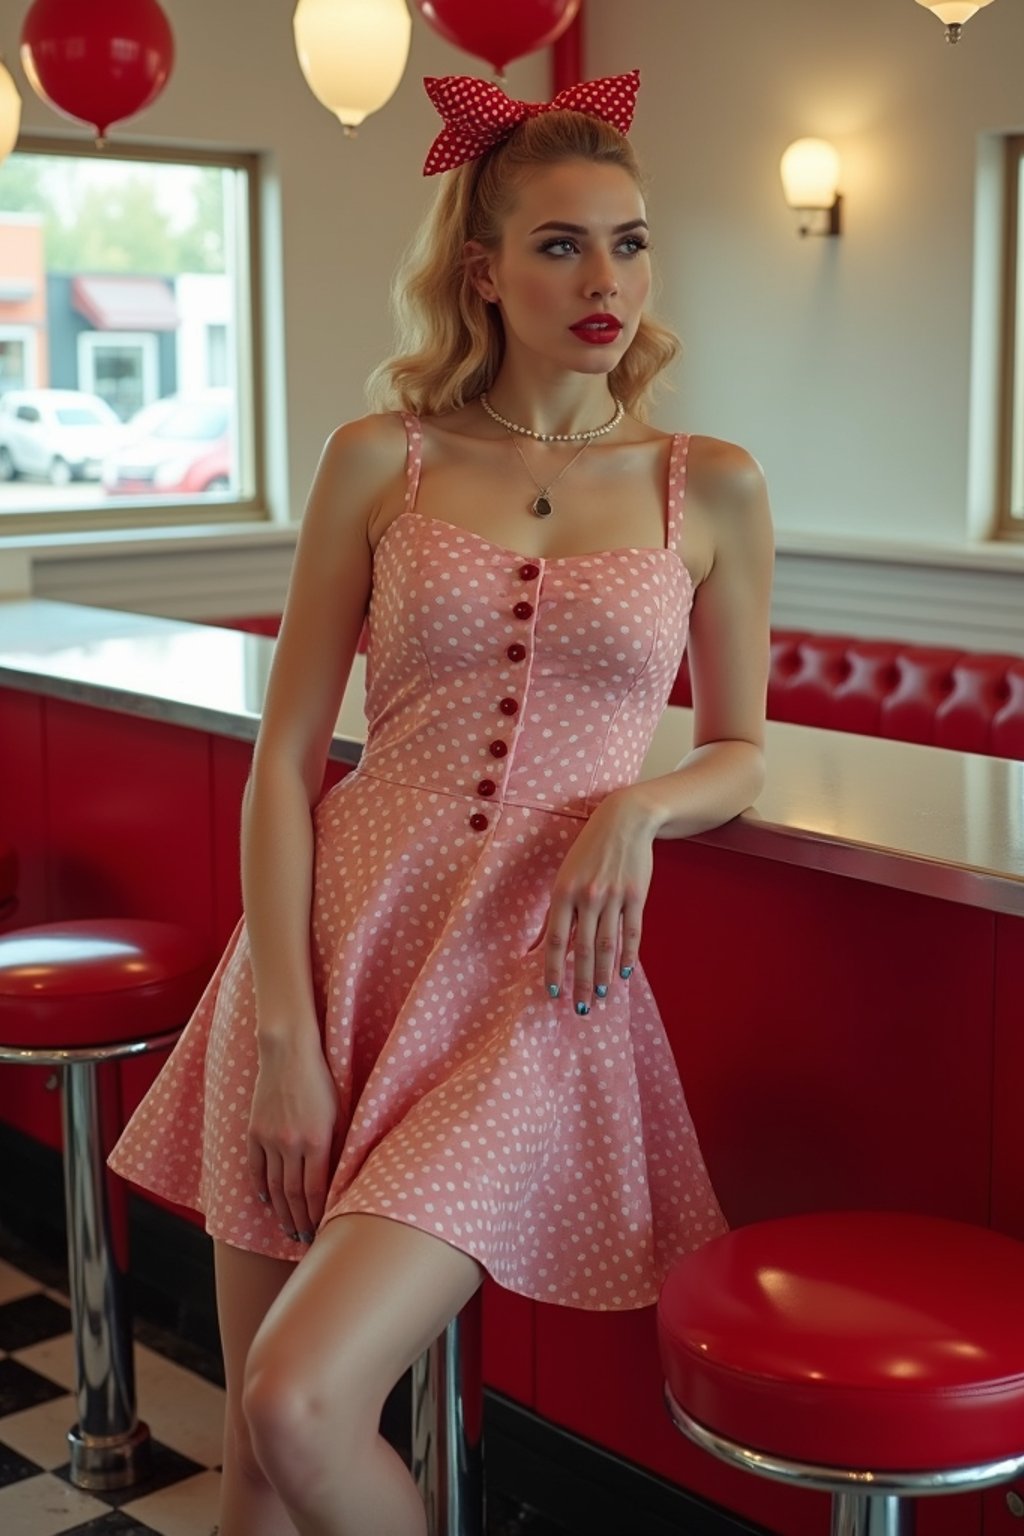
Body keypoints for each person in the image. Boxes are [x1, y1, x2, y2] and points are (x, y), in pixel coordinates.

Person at [109, 67, 773, 1536]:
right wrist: (282, 1030)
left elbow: (743, 747)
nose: (606, 279)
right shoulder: (379, 462)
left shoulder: (707, 487)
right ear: (481, 271)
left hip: (538, 995)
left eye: (631, 241)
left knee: (301, 1401)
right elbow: (287, 761)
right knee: (258, 1475)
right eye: (559, 243)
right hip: (332, 961)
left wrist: (639, 809)